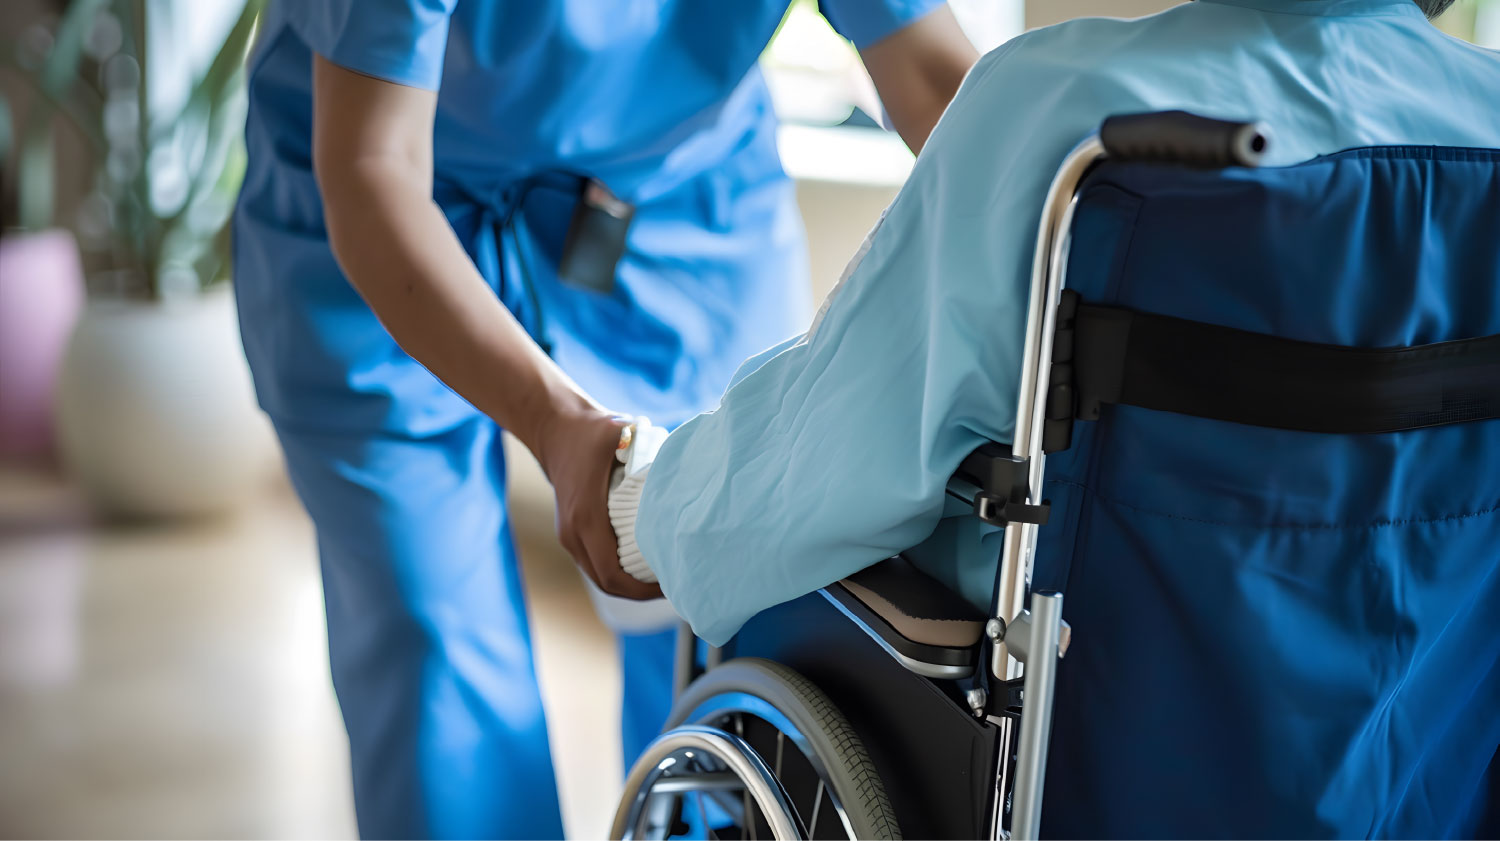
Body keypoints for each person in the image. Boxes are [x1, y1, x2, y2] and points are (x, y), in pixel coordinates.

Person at [232, 0, 976, 837]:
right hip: (378, 223)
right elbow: (373, 168)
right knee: (434, 646)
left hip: (670, 206)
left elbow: (938, 83)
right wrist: (554, 422)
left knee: (724, 624)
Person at [614, 0, 1500, 642]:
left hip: (1107, 723)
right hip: (1425, 746)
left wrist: (647, 506)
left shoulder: (1069, 105)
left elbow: (825, 463)